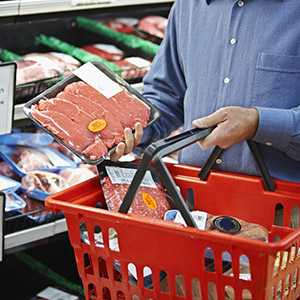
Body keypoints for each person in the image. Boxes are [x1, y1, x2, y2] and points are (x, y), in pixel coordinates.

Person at [111, 0, 300, 182]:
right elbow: (168, 95)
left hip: (284, 205)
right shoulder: (189, 5)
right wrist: (130, 127)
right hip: (194, 198)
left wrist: (258, 123)